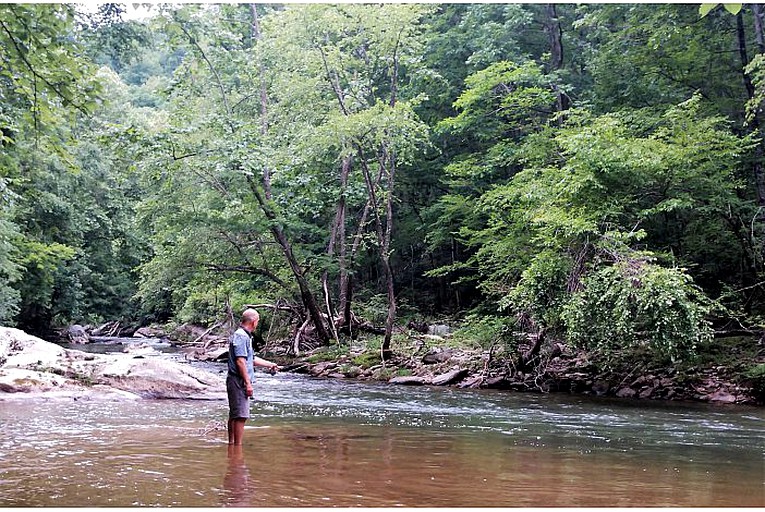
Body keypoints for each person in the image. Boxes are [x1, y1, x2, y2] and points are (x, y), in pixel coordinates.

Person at [226, 308, 279, 445]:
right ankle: (237, 447)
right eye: (258, 321)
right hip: (238, 380)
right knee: (240, 415)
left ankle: (232, 446)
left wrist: (270, 364)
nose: (258, 324)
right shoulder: (242, 336)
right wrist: (248, 383)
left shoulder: (244, 335)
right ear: (254, 321)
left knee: (235, 414)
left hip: (237, 379)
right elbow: (240, 361)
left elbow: (251, 359)